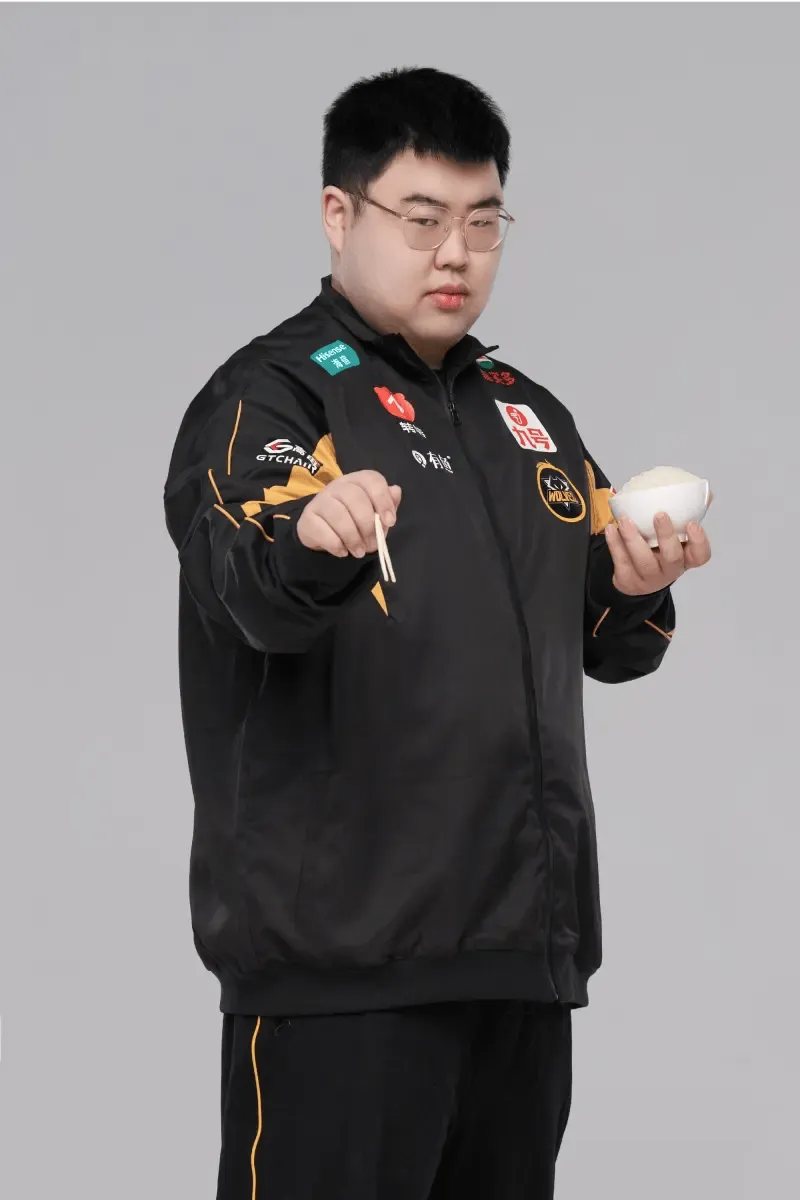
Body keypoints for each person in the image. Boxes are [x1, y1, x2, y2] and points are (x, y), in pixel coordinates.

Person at [163, 66, 712, 1200]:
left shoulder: (525, 412)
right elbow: (248, 580)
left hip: (520, 964)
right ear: (340, 213)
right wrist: (313, 535)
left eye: (482, 221)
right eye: (421, 220)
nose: (454, 253)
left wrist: (636, 583)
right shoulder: (271, 396)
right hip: (342, 978)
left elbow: (608, 639)